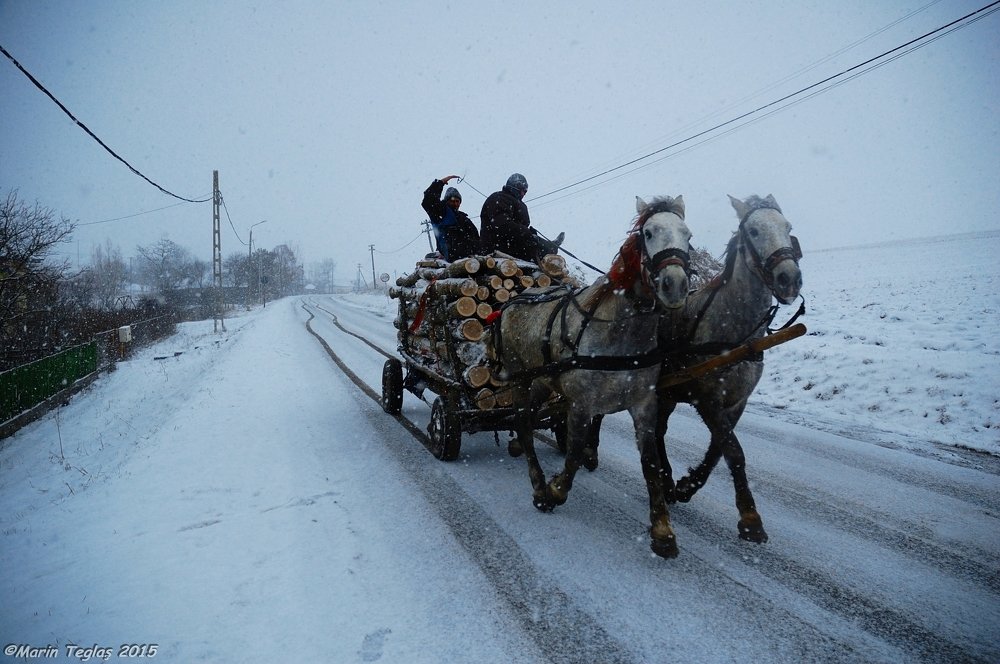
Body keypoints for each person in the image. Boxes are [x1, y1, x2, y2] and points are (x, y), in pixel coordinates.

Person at [479, 173, 563, 262]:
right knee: (533, 245)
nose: (523, 194)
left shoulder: (516, 202)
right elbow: (502, 224)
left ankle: (550, 248)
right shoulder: (499, 198)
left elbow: (518, 226)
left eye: (525, 191)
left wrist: (529, 233)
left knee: (533, 242)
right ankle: (550, 249)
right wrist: (526, 232)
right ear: (515, 186)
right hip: (498, 244)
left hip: (512, 243)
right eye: (522, 190)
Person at [421, 175, 480, 261]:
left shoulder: (464, 218)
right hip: (452, 254)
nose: (455, 204)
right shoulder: (441, 212)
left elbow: (475, 237)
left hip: (468, 255)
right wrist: (440, 183)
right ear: (446, 201)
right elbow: (428, 201)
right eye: (452, 201)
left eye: (457, 201)